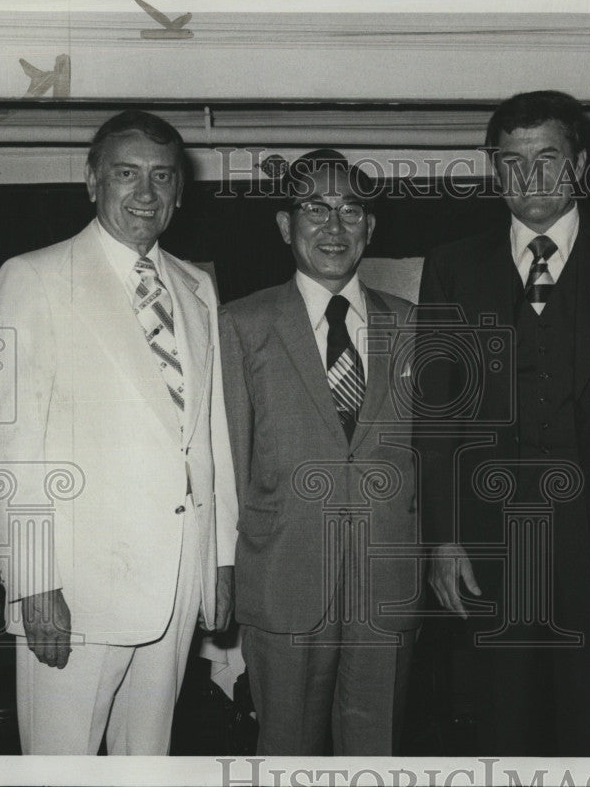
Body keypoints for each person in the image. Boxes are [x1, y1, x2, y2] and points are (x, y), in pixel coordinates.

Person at [416, 90, 590, 755]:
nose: (530, 177)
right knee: (503, 722)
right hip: (492, 543)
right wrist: (444, 538)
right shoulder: (452, 266)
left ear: (580, 163)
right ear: (492, 168)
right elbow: (438, 417)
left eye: (547, 157)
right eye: (512, 161)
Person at [0, 110, 237, 755]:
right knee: (61, 764)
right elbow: (6, 443)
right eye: (126, 174)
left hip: (177, 581)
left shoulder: (197, 287)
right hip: (76, 587)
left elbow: (212, 437)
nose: (144, 193)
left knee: (145, 762)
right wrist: (33, 579)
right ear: (92, 182)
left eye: (161, 177)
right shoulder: (32, 276)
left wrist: (220, 562)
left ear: (179, 191)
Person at [219, 150, 423, 755]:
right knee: (285, 754)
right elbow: (227, 463)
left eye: (350, 210)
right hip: (283, 582)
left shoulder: (415, 325)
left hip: (386, 585)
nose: (334, 226)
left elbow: (434, 459)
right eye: (315, 209)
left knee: (376, 754)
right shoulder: (242, 324)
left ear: (370, 227)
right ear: (286, 226)